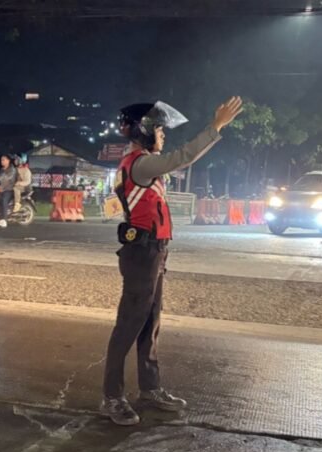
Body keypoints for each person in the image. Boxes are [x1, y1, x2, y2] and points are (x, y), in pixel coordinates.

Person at [100, 97, 243, 426]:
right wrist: (215, 127)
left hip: (155, 251)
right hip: (142, 254)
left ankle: (149, 389)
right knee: (128, 327)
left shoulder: (143, 161)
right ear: (145, 130)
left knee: (150, 326)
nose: (163, 134)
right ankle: (111, 396)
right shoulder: (140, 163)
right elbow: (183, 157)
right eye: (160, 128)